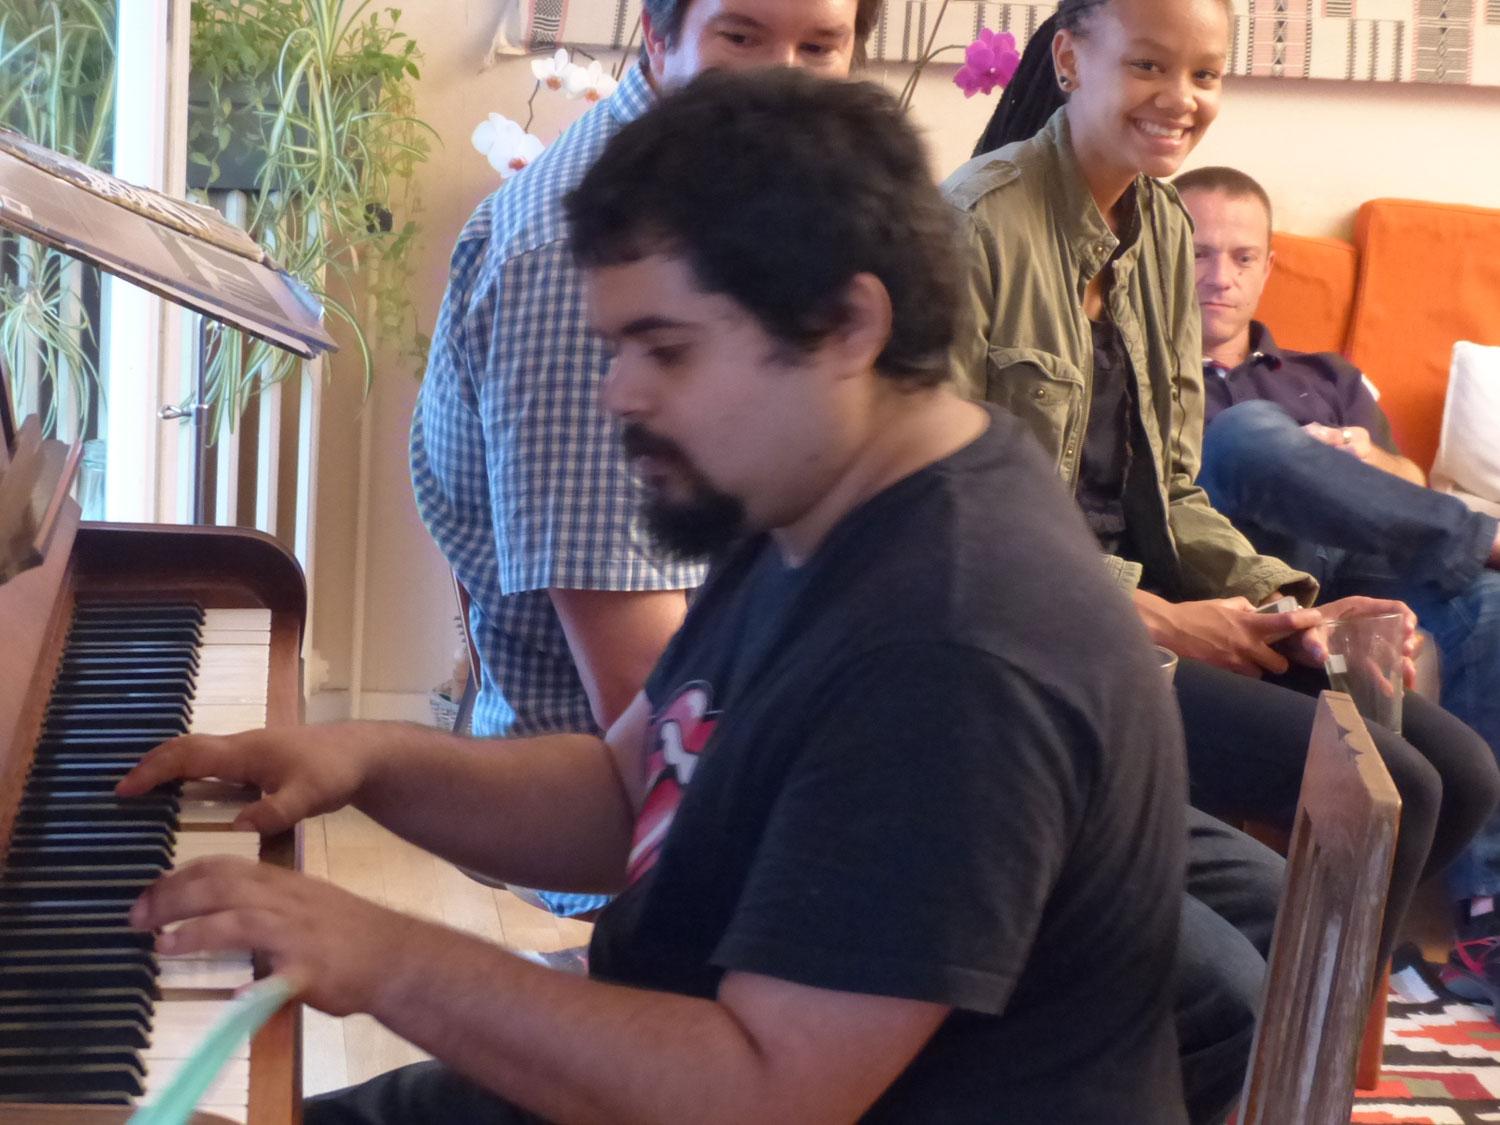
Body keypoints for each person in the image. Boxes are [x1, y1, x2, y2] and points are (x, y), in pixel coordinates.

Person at [122, 70, 1190, 1123]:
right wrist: (362, 762)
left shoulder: (953, 650)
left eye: (665, 349)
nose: (620, 393)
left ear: (847, 327)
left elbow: (764, 1095)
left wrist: (384, 955)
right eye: (616, 347)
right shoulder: (818, 499)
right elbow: (633, 787)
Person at [947, 0, 1499, 1118]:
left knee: (1461, 772)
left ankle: (1301, 1058)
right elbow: (954, 515)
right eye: (1150, 65)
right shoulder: (973, 225)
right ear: (1069, 58)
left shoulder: (1158, 229)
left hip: (1150, 602)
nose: (1183, 99)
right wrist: (1156, 615)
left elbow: (1175, 488)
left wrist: (1279, 597)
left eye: (1204, 74)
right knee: (1393, 783)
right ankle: (1268, 1061)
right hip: (1040, 630)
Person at [410, 0, 877, 917]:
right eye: (741, 36)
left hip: (744, 744)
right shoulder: (578, 255)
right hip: (646, 836)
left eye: (820, 47)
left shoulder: (744, 204)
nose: (783, 84)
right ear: (659, 37)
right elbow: (653, 705)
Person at [1174, 164, 1500, 1008]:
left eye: (1242, 257)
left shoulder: (1327, 374)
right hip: (1257, 554)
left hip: (1365, 550)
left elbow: (1405, 489)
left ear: (1269, 267)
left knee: (1491, 607)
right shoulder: (1147, 376)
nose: (1220, 276)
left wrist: (1365, 456)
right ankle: (1488, 535)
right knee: (1246, 435)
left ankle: (1486, 920)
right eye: (1199, 252)